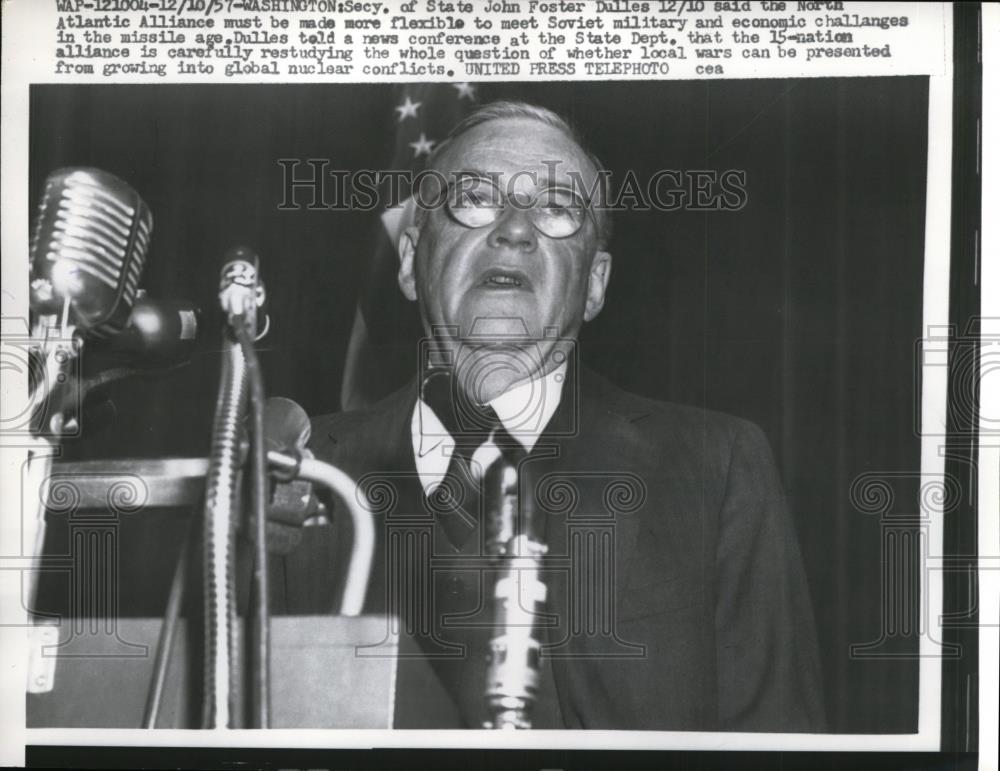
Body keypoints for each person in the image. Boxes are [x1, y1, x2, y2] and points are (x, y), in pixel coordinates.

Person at [272, 101, 826, 731]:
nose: (515, 229)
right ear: (408, 261)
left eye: (558, 209)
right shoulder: (291, 471)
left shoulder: (715, 470)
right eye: (475, 198)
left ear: (594, 284)